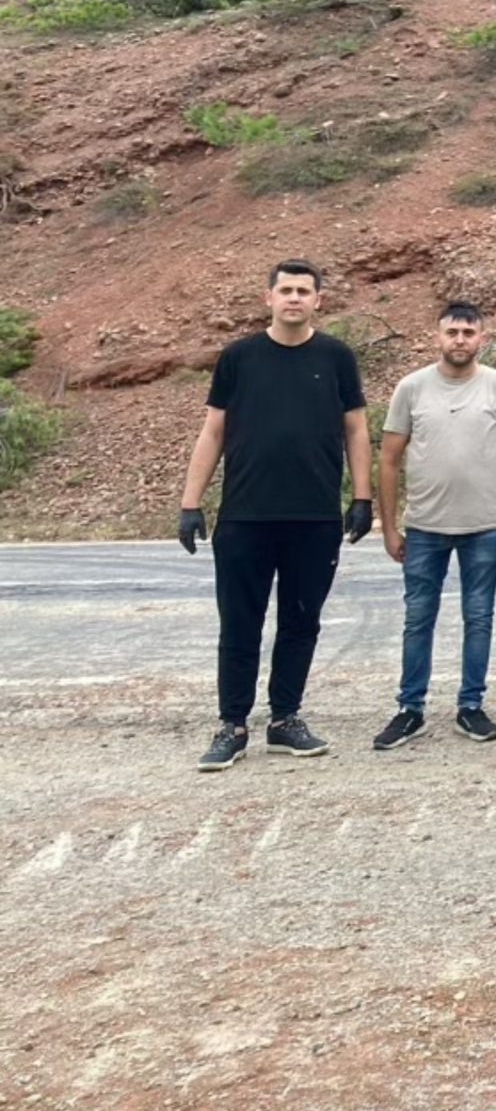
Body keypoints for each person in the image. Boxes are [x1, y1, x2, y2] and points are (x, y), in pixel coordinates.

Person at [180, 260, 372, 771]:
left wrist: (362, 497)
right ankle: (232, 725)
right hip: (245, 517)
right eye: (285, 290)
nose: (293, 298)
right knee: (239, 623)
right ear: (268, 298)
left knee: (300, 622)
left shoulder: (335, 357)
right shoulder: (239, 357)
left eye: (303, 291)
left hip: (314, 517)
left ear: (317, 300)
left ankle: (286, 719)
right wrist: (190, 503)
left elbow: (356, 429)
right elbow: (213, 431)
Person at [373, 302, 496, 751]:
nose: (459, 340)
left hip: (484, 526)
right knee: (418, 618)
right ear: (437, 336)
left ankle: (471, 706)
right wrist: (389, 528)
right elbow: (388, 460)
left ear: (482, 338)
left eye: (468, 332)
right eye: (451, 332)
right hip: (425, 527)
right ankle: (410, 709)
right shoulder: (412, 388)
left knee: (478, 618)